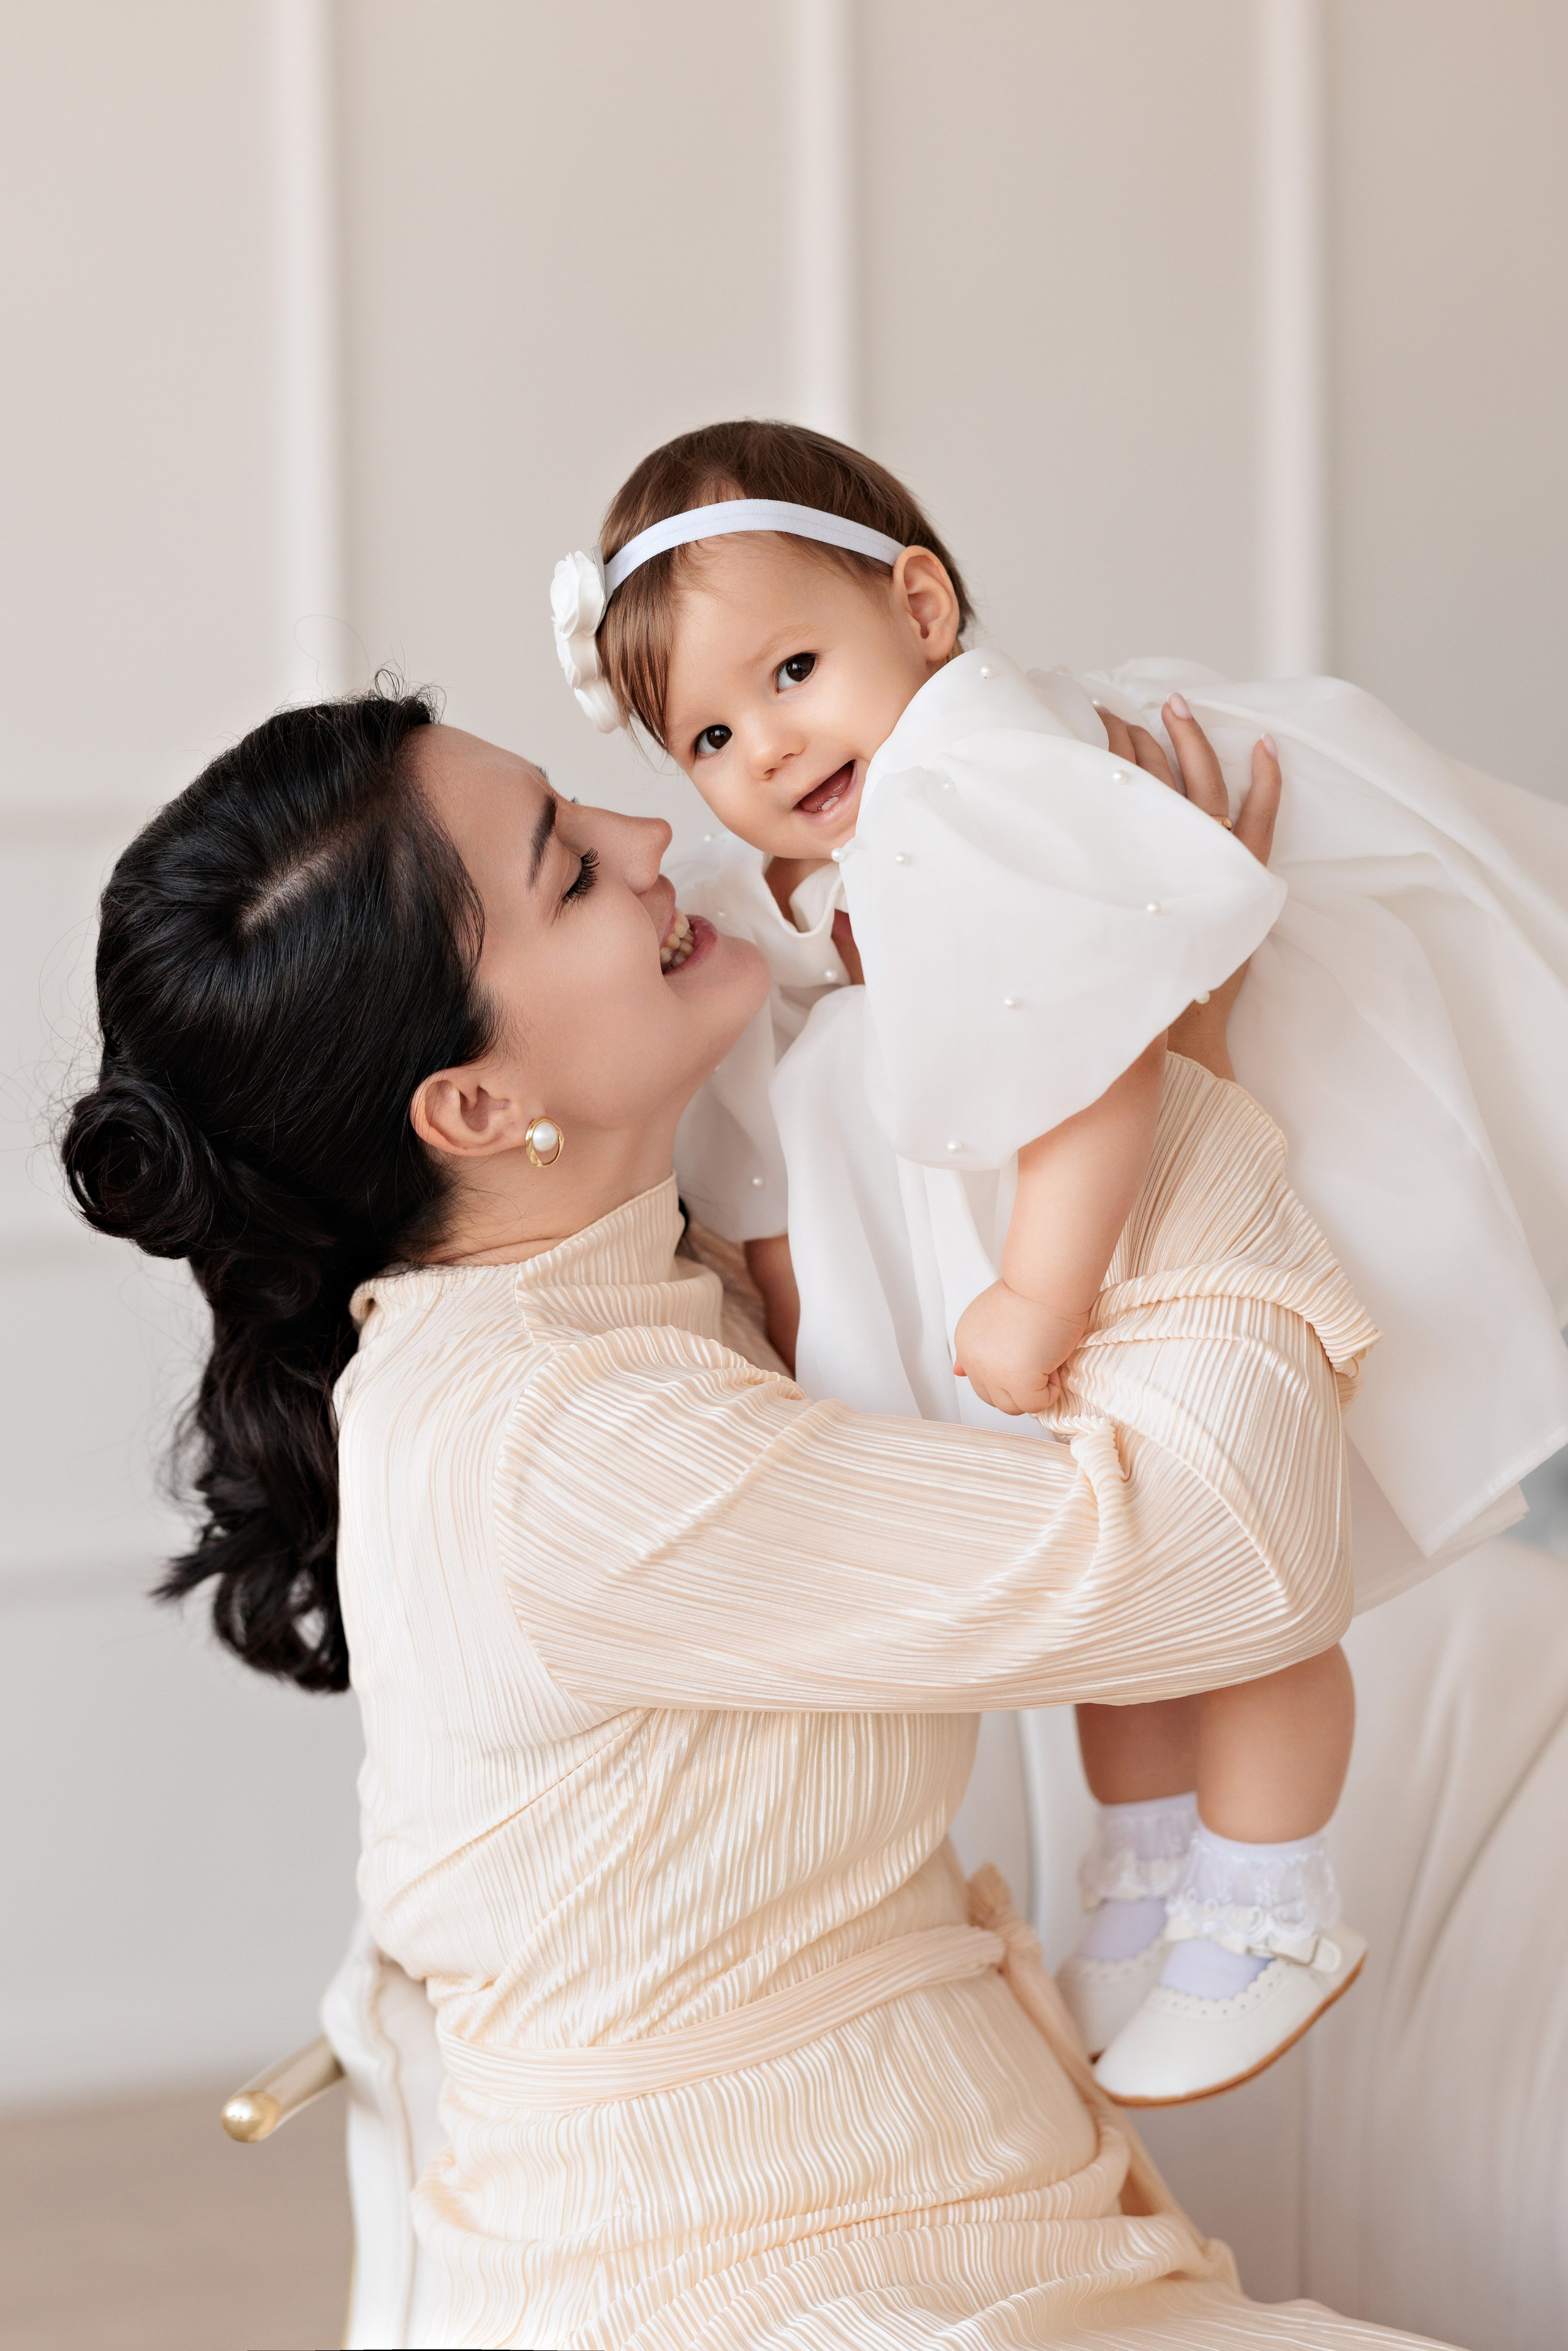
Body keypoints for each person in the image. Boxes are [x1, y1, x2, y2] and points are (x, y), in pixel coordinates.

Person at [62, 689, 1450, 2349]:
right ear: (478, 1110)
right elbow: (1231, 1555)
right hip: (803, 2302)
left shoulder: (617, 1288)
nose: (658, 841)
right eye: (571, 870)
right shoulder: (561, 1442)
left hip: (960, 2246)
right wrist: (1157, 1066)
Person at [551, 419, 1568, 2102]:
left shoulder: (981, 778)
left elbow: (1098, 1058)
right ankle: (1150, 1874)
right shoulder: (889, 814)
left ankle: (1271, 1895)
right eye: (715, 733)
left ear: (926, 610)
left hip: (1165, 1170)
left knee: (1240, 1578)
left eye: (796, 667)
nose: (772, 741)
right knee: (1132, 1610)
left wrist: (1039, 1288)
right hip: (1137, 1185)